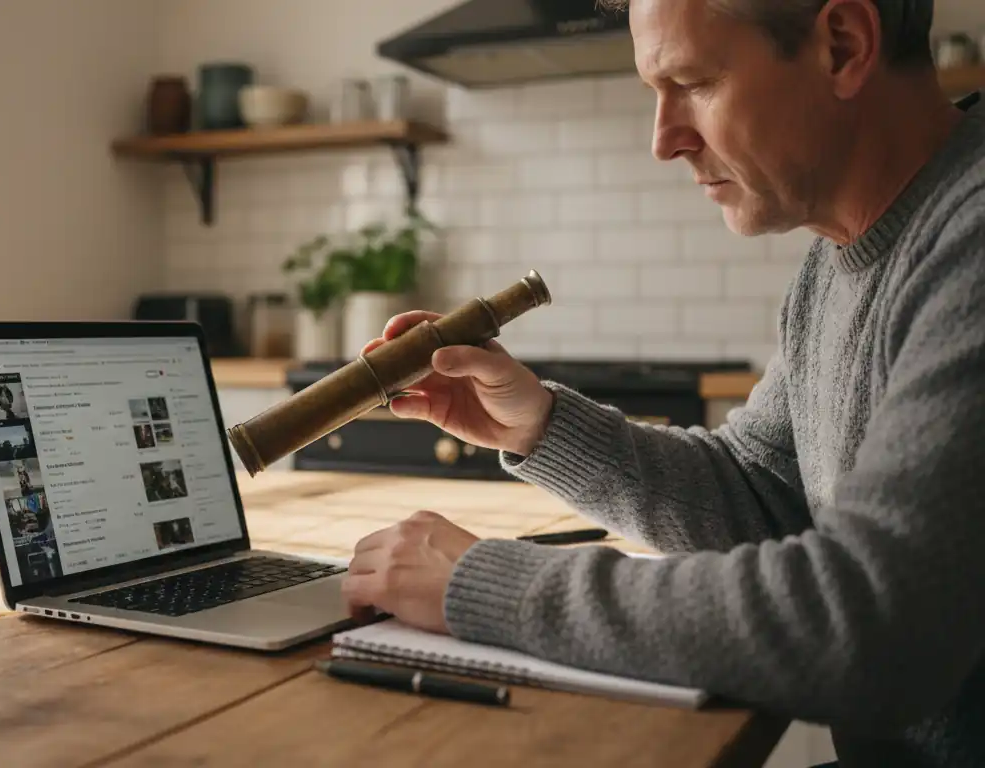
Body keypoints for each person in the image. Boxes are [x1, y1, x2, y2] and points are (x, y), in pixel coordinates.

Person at [342, 0, 985, 765]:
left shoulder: (970, 241)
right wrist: (541, 426)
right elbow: (763, 495)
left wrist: (485, 584)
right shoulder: (834, 261)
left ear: (843, 46)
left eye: (694, 82)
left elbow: (873, 629)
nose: (663, 140)